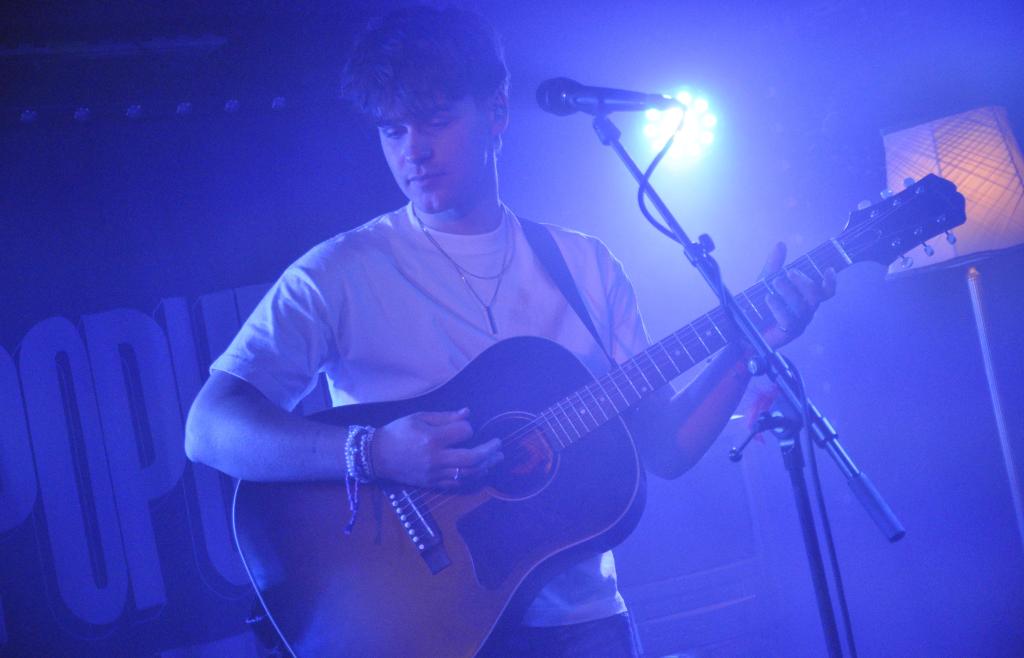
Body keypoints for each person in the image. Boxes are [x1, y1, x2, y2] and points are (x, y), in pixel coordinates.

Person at [184, 5, 834, 656]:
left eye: (435, 120)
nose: (412, 150)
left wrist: (744, 348)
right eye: (392, 129)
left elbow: (666, 449)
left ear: (497, 109)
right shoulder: (337, 274)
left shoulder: (585, 266)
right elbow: (209, 428)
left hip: (584, 628)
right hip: (424, 630)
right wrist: (373, 452)